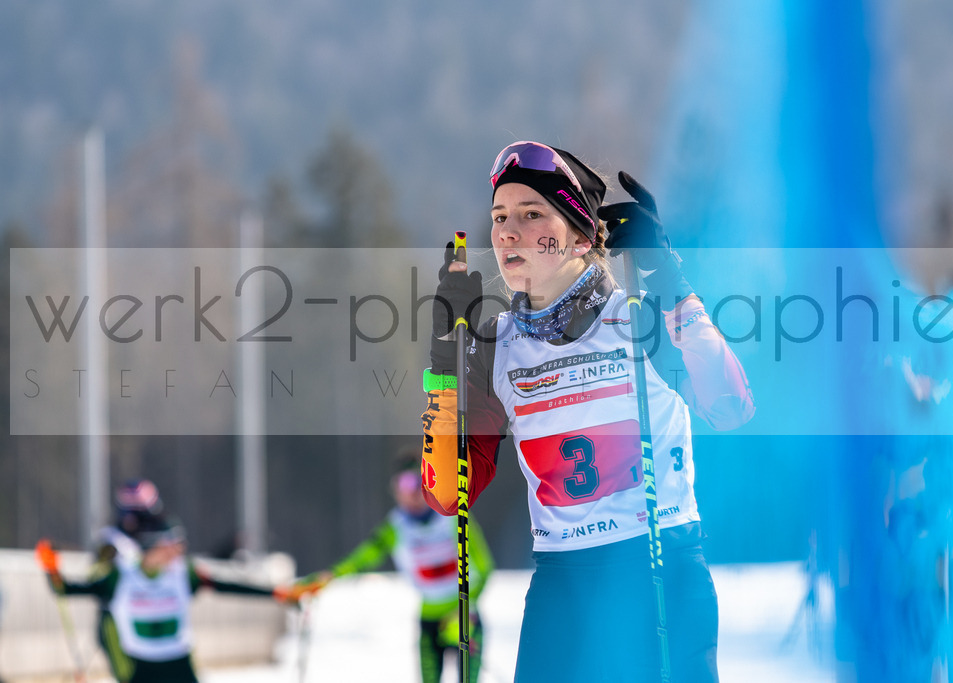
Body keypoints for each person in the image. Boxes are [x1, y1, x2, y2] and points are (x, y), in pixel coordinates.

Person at [420, 141, 755, 682]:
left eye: (532, 215)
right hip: (564, 585)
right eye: (500, 217)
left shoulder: (639, 317)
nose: (508, 232)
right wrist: (444, 360)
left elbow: (731, 407)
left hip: (660, 569)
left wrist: (671, 282)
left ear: (581, 236)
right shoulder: (496, 347)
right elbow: (445, 493)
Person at [290, 450, 494, 683]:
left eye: (419, 483)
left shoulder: (454, 515)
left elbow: (485, 568)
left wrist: (465, 609)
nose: (412, 493)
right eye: (403, 485)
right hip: (428, 622)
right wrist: (327, 577)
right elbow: (362, 558)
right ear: (395, 491)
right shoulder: (395, 527)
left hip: (466, 620)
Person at [36, 516, 287, 683]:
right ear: (154, 545)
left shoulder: (183, 573)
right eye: (173, 544)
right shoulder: (120, 577)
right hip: (140, 666)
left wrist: (278, 593)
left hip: (178, 665)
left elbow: (226, 585)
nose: (179, 551)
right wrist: (51, 568)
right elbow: (65, 590)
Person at [90, 479, 166, 682]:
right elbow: (96, 577)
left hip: (153, 617)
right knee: (129, 676)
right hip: (116, 620)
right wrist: (109, 561)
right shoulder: (111, 540)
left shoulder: (162, 538)